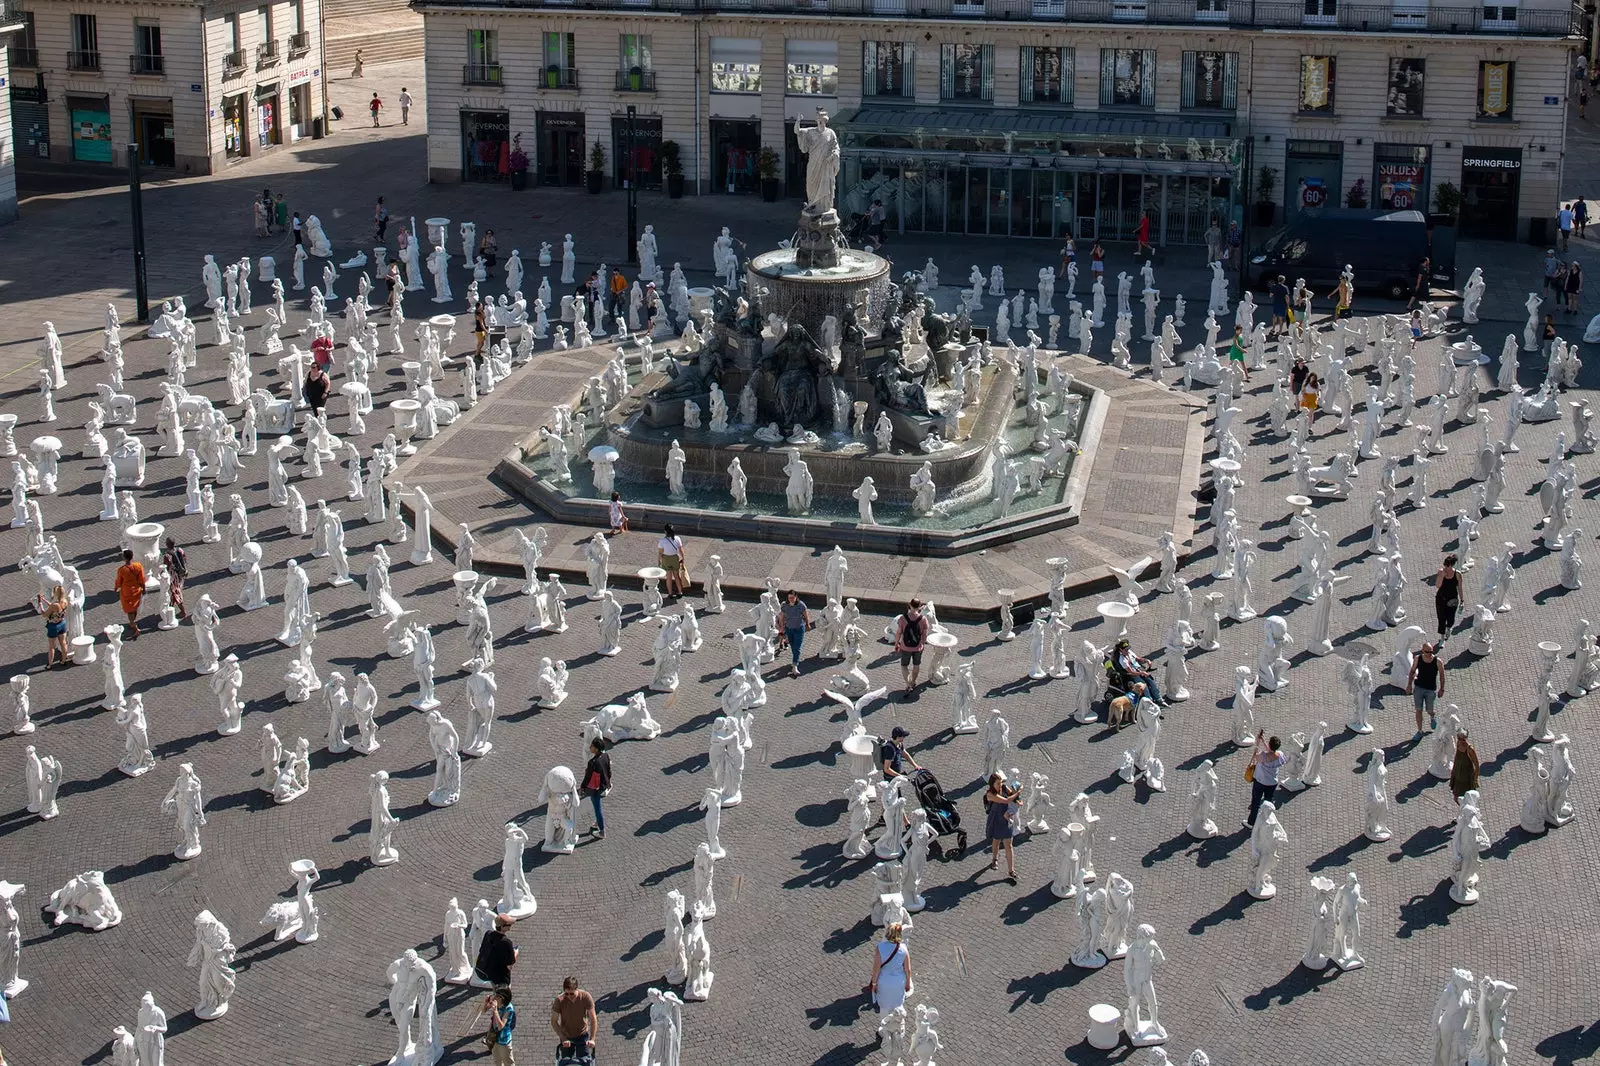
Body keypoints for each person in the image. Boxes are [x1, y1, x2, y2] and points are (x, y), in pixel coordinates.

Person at [868, 923, 912, 1015]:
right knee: (898, 1008)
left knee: (884, 1009)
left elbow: (876, 970)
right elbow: (908, 970)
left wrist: (874, 984)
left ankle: (884, 1028)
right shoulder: (903, 948)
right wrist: (907, 983)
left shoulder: (880, 947)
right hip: (899, 982)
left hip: (884, 982)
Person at [1245, 731, 1287, 828]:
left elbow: (1256, 757)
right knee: (1268, 801)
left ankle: (1251, 822)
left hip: (1260, 782)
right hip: (1272, 783)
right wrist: (1263, 742)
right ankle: (1267, 819)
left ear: (1270, 744)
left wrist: (1256, 748)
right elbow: (1271, 752)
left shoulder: (1263, 755)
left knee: (1256, 801)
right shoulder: (1280, 755)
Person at [983, 771, 1020, 880]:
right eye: (997, 783)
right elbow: (1007, 800)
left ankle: (1011, 870)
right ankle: (994, 859)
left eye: (1000, 783)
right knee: (996, 841)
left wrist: (1017, 799)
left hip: (1006, 818)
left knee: (1009, 845)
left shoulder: (1003, 787)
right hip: (996, 819)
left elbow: (1013, 797)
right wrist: (1018, 792)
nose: (1000, 785)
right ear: (992, 784)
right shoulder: (990, 794)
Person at [550, 977, 596, 1061]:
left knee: (584, 1060)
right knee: (566, 1061)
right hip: (566, 1036)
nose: (569, 996)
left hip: (582, 1036)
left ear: (576, 989)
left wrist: (592, 1039)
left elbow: (593, 1019)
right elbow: (554, 1021)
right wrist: (563, 1038)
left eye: (571, 994)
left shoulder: (585, 997)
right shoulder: (559, 1000)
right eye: (566, 994)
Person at [1113, 639, 1167, 705]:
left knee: (1151, 681)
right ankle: (1149, 701)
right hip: (1133, 674)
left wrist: (1146, 660)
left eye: (1128, 649)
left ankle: (1158, 698)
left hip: (1139, 669)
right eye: (1125, 650)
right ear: (1121, 650)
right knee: (1144, 685)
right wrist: (1142, 673)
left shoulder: (1129, 652)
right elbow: (1131, 671)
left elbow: (1138, 659)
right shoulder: (1122, 660)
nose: (1127, 650)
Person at [1406, 642, 1444, 736]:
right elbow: (1412, 671)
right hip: (1419, 687)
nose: (1429, 653)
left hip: (1431, 689)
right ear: (1423, 651)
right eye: (1427, 652)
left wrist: (1442, 689)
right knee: (1418, 710)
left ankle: (1432, 717)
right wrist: (1409, 685)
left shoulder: (1438, 661)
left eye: (1431, 651)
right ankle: (1419, 731)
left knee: (1429, 710)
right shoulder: (1417, 659)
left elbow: (1442, 676)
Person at [893, 599, 929, 693]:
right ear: (920, 607)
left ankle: (908, 684)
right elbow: (924, 635)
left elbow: (898, 633)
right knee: (916, 665)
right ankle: (913, 681)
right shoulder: (923, 619)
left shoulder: (903, 618)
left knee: (904, 666)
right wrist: (923, 645)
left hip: (905, 647)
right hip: (918, 647)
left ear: (910, 605)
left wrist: (897, 643)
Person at [473, 914, 519, 988]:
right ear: (502, 927)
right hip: (501, 977)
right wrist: (515, 953)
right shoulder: (506, 942)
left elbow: (482, 949)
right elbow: (510, 964)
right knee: (504, 995)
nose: (510, 926)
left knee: (495, 991)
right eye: (509, 925)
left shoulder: (488, 934)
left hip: (490, 972)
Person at [581, 737, 611, 840]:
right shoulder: (606, 756)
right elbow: (608, 771)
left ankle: (602, 831)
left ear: (597, 749)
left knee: (597, 808)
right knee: (597, 807)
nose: (590, 747)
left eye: (592, 746)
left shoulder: (592, 762)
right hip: (603, 785)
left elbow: (588, 777)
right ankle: (598, 822)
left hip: (596, 789)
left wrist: (582, 787)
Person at [114, 549, 146, 639]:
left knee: (129, 610)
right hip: (137, 591)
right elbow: (142, 579)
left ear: (124, 558)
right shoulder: (138, 566)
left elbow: (119, 582)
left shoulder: (121, 570)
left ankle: (135, 627)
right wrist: (144, 588)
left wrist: (115, 588)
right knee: (134, 608)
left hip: (127, 592)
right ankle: (133, 622)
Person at [779, 589, 811, 677]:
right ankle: (795, 660)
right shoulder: (785, 605)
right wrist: (782, 627)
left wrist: (807, 624)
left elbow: (805, 614)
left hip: (799, 628)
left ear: (796, 597)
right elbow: (782, 617)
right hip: (789, 628)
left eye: (793, 598)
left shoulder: (801, 605)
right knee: (793, 645)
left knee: (797, 647)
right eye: (790, 598)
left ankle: (795, 665)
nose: (791, 599)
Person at [1434, 553, 1464, 641]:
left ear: (1452, 565)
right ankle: (1442, 638)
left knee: (1451, 618)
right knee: (1441, 618)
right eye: (1445, 565)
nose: (1445, 567)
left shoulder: (1457, 574)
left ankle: (1449, 628)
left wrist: (1462, 600)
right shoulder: (1441, 572)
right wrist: (1442, 576)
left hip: (1452, 599)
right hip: (1441, 599)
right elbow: (1438, 586)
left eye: (1447, 566)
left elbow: (1460, 587)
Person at [38, 583, 68, 669]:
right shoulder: (64, 602)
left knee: (51, 646)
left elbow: (44, 614)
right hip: (62, 623)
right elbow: (55, 608)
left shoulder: (55, 604)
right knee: (63, 643)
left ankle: (50, 664)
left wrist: (40, 603)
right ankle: (63, 660)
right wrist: (45, 600)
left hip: (53, 626)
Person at [485, 988, 516, 1065]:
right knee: (497, 1062)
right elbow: (484, 1010)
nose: (494, 997)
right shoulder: (496, 1003)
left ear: (501, 998)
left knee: (508, 1063)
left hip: (504, 1041)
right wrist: (486, 1003)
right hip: (494, 1039)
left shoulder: (509, 1008)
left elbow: (501, 1026)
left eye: (496, 995)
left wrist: (495, 1011)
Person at [657, 523, 688, 597]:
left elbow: (660, 553)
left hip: (666, 559)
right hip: (675, 558)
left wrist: (659, 561)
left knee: (669, 577)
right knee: (676, 576)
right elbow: (681, 550)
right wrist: (683, 560)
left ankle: (670, 593)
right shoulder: (677, 538)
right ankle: (680, 592)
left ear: (665, 531)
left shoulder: (662, 541)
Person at [1449, 731, 1480, 805]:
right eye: (1459, 738)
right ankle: (1462, 811)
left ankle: (1465, 812)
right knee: (1456, 797)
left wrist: (1475, 780)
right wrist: (1454, 770)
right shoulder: (1458, 743)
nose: (1460, 740)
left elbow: (1477, 766)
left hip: (1466, 778)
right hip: (1458, 774)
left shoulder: (1470, 749)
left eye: (1462, 739)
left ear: (1465, 738)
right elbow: (1457, 756)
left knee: (1465, 799)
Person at [162, 537, 188, 622]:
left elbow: (166, 567)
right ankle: (171, 607)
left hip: (173, 577)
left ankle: (183, 611)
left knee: (176, 593)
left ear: (167, 544)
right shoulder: (180, 550)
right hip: (181, 575)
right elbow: (185, 560)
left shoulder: (167, 556)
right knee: (175, 591)